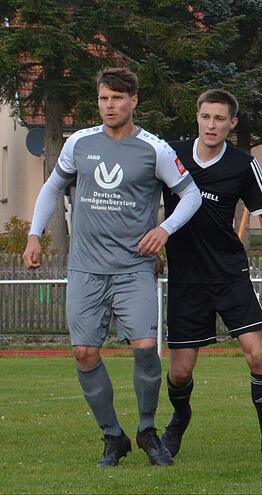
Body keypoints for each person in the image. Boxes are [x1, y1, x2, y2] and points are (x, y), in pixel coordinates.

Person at [22, 67, 202, 467]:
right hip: (85, 269)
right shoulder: (80, 144)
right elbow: (53, 187)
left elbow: (191, 195)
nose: (109, 105)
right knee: (84, 353)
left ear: (133, 101)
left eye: (117, 99)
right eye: (104, 98)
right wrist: (35, 235)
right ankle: (112, 437)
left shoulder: (154, 149)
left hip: (134, 267)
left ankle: (147, 430)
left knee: (143, 348)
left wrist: (165, 230)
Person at [159, 89, 262, 462]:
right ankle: (180, 417)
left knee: (256, 355)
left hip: (229, 273)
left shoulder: (242, 164)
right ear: (197, 117)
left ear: (232, 123)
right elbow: (146, 200)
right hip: (186, 276)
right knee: (179, 372)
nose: (212, 125)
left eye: (220, 119)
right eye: (206, 117)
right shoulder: (170, 154)